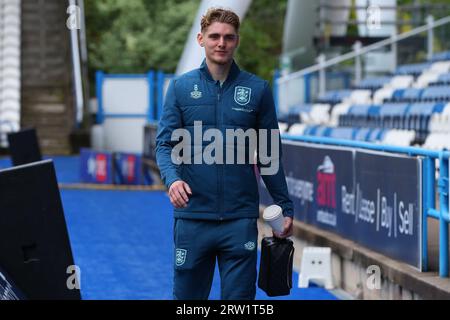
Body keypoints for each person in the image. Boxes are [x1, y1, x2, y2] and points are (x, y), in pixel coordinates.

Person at [156, 7, 294, 300]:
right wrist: (172, 180)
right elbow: (164, 145)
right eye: (215, 36)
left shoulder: (258, 90)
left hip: (239, 220)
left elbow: (269, 155)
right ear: (201, 39)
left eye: (228, 37)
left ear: (237, 41)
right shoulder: (180, 88)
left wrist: (285, 206)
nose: (221, 43)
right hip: (192, 218)